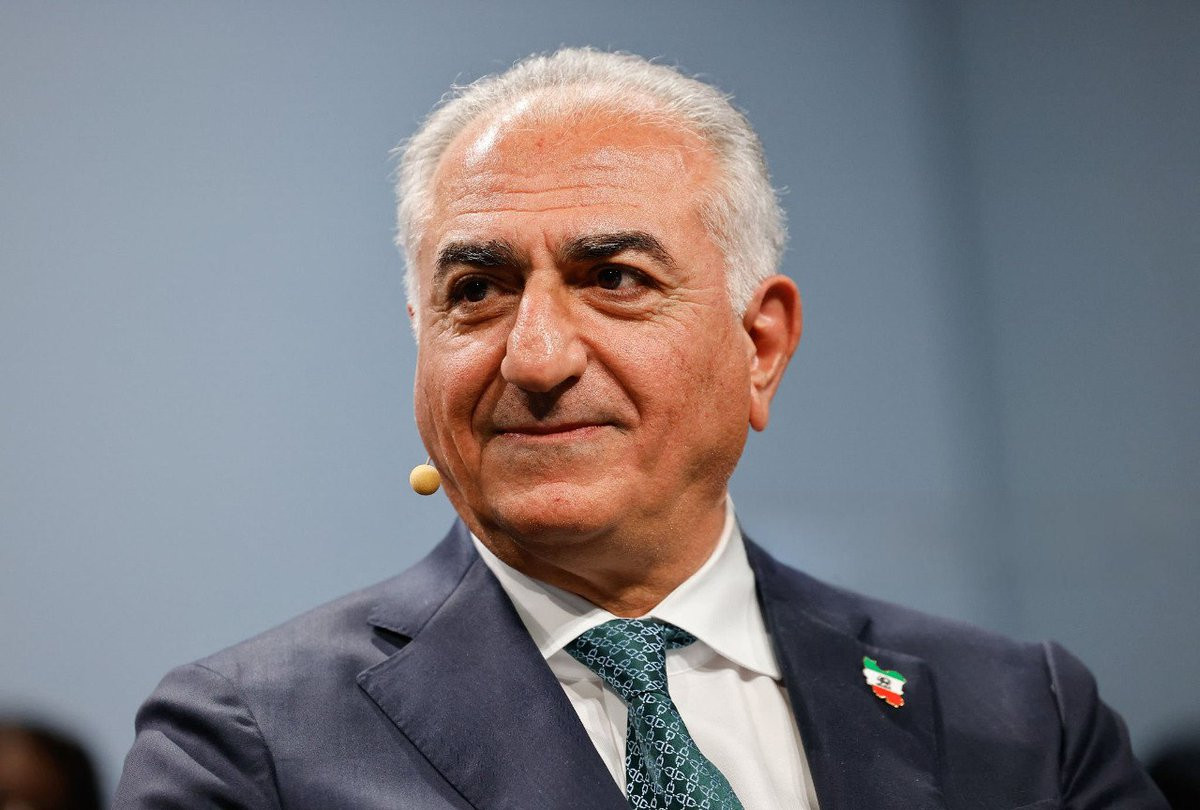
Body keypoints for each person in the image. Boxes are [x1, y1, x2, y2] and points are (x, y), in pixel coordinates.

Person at [114, 48, 1166, 809]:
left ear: (760, 345)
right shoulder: (251, 746)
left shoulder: (1023, 717)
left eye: (614, 278)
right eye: (476, 291)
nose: (535, 358)